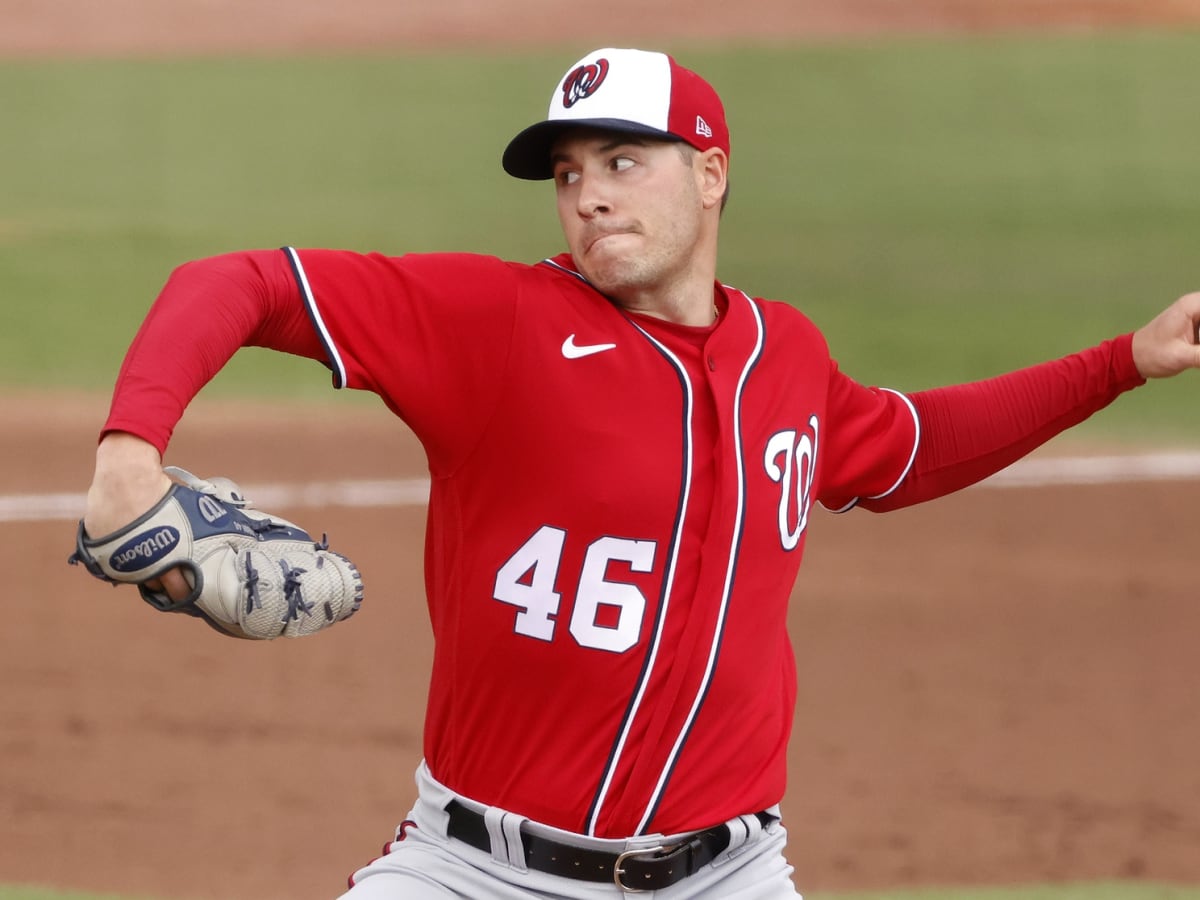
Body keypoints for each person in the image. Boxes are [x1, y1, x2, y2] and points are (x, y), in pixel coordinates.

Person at [79, 47, 1199, 899]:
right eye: (568, 175)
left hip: (729, 875)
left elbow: (905, 447)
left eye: (623, 161)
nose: (589, 197)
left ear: (709, 173)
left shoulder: (784, 355)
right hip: (474, 873)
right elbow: (235, 282)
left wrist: (1124, 363)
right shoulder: (501, 324)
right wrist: (131, 454)